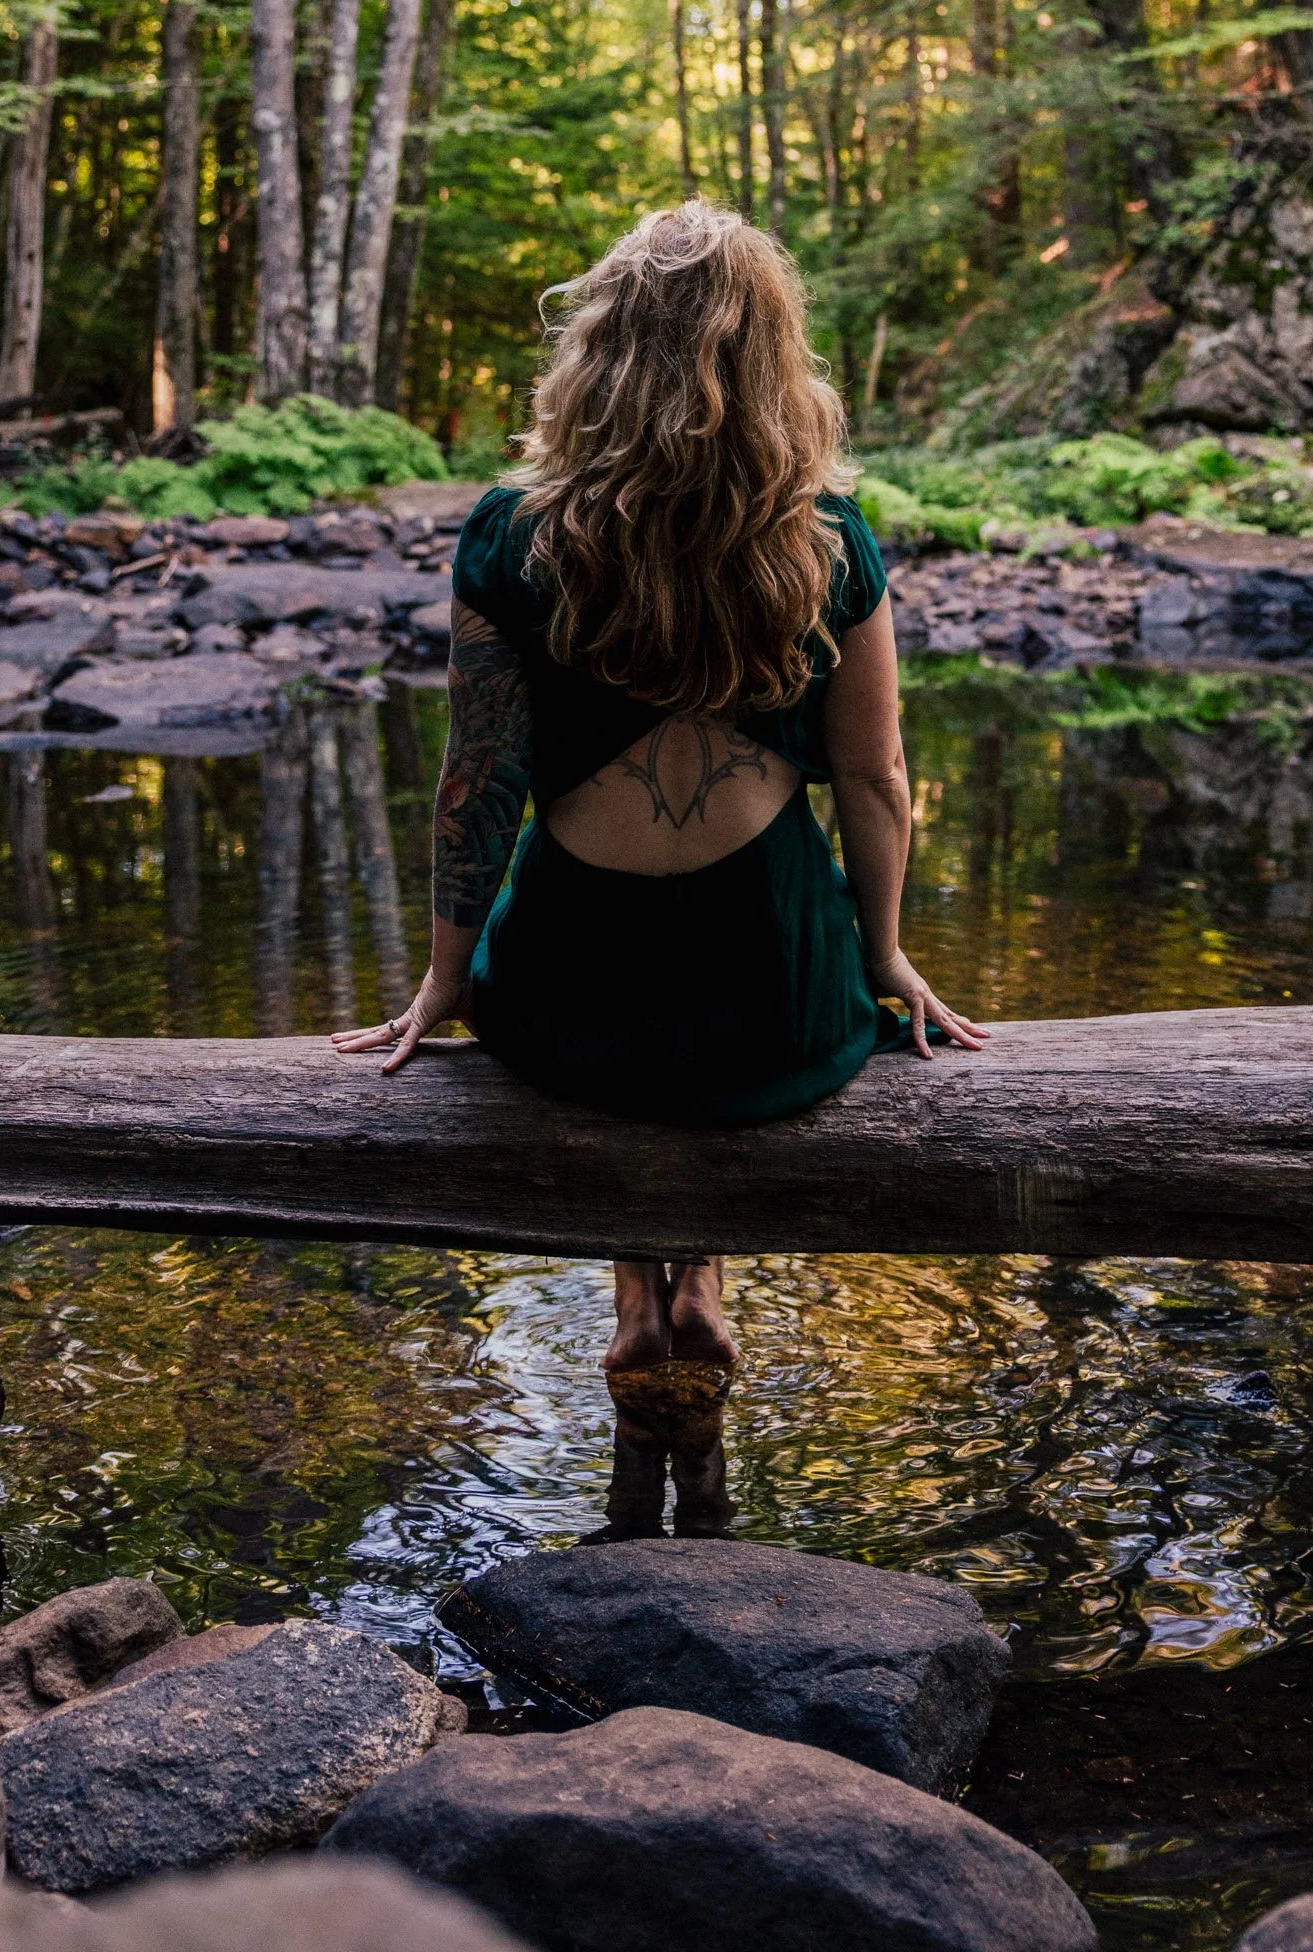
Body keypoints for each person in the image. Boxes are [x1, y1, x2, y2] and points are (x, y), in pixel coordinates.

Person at [331, 201, 985, 1375]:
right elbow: (875, 779)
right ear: (773, 360)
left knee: (609, 1017)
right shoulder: (829, 536)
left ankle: (636, 1296)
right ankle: (705, 1285)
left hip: (568, 1003)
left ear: (600, 355)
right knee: (729, 1021)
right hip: (777, 1002)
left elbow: (475, 783)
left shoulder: (510, 535)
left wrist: (443, 978)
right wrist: (880, 956)